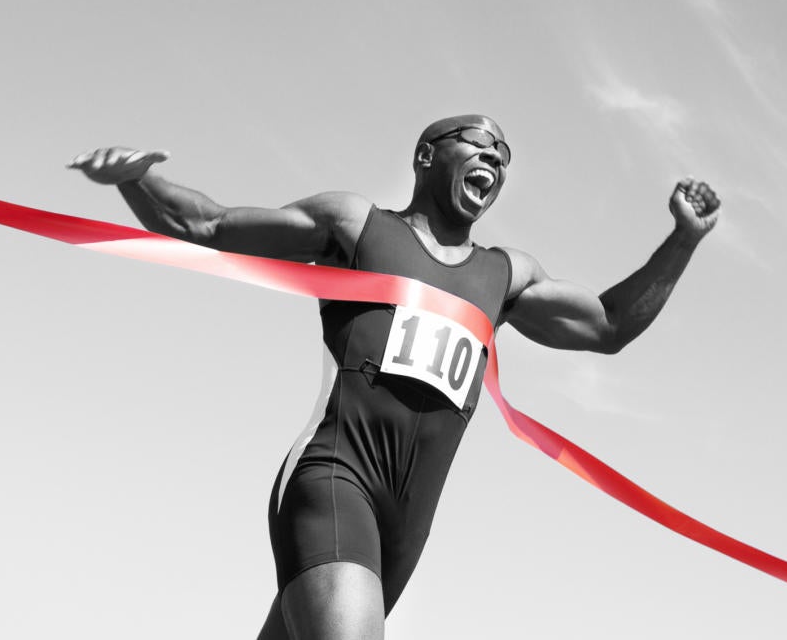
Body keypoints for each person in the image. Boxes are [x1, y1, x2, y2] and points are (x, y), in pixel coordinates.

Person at [67, 115, 720, 640]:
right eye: (478, 140)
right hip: (333, 478)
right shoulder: (356, 225)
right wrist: (136, 182)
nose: (495, 153)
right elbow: (208, 224)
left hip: (405, 528)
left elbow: (607, 326)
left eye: (505, 151)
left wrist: (682, 242)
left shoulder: (507, 275)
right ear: (427, 155)